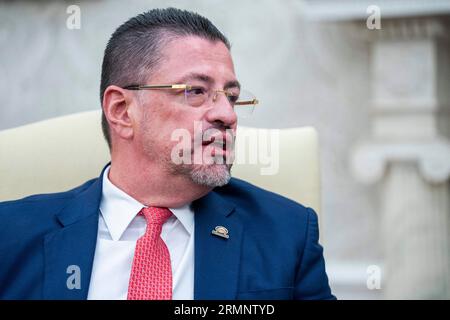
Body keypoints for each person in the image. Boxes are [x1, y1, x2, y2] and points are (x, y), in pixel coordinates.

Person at [0, 7, 335, 300]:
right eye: (196, 91)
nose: (228, 115)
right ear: (121, 110)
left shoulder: (285, 235)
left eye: (231, 96)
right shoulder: (11, 235)